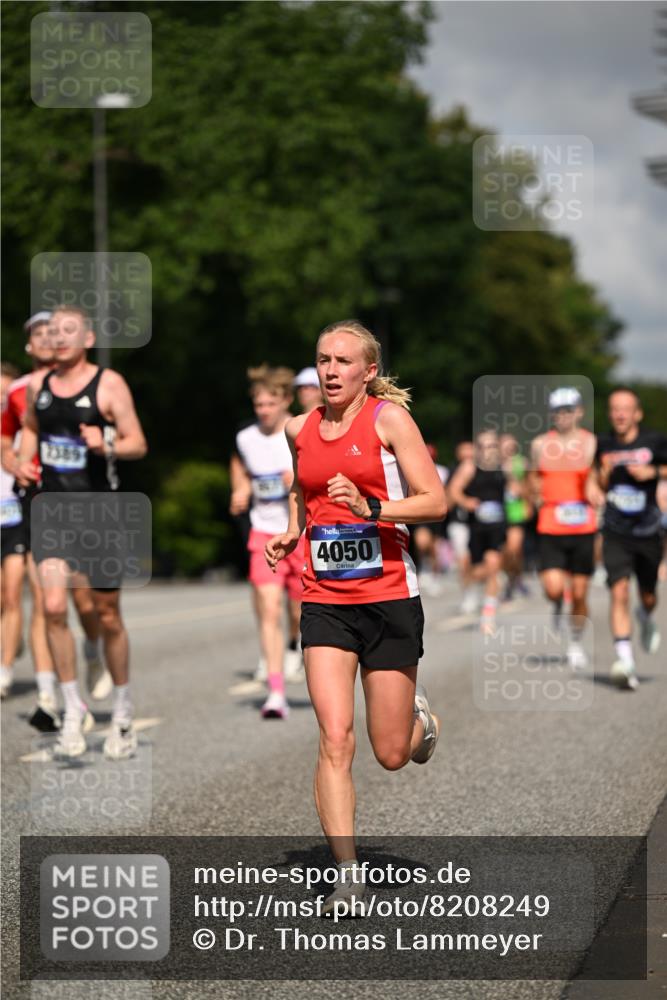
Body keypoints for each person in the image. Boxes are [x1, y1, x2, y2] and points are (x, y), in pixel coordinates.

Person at [265, 319, 445, 916]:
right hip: (325, 600)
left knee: (390, 753)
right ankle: (347, 877)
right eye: (323, 360)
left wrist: (373, 508)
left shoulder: (389, 421)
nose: (331, 370)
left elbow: (435, 501)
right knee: (334, 737)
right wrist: (293, 532)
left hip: (389, 595)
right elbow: (305, 489)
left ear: (368, 371)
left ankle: (420, 720)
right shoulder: (298, 428)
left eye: (343, 361)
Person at [15, 305, 147, 756]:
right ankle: (73, 710)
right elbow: (31, 429)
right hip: (51, 512)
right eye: (54, 331)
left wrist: (106, 442)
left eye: (69, 330)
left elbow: (137, 442)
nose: (59, 337)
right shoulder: (39, 386)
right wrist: (21, 463)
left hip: (100, 514)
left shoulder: (108, 384)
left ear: (88, 339)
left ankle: (123, 714)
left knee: (107, 615)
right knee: (53, 606)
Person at [1, 313, 108, 726]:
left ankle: (93, 648)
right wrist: (13, 461)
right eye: (39, 334)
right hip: (36, 502)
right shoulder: (19, 391)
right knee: (46, 602)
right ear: (30, 345)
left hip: (81, 502)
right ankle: (50, 697)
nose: (48, 338)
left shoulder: (85, 383)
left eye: (54, 332)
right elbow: (6, 436)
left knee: (84, 599)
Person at [231, 365, 306, 716]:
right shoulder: (246, 438)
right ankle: (276, 692)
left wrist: (299, 479)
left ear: (286, 401)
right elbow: (241, 468)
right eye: (258, 404)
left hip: (300, 531)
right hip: (263, 533)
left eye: (270, 404)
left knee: (299, 610)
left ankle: (294, 644)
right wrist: (241, 490)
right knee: (269, 607)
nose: (263, 410)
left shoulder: (301, 430)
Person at [589, 388, 667, 690]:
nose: (620, 414)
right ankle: (625, 662)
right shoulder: (602, 444)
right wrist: (598, 484)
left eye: (626, 408)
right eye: (615, 409)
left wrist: (653, 472)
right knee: (619, 590)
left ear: (637, 413)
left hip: (647, 530)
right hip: (615, 531)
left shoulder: (655, 440)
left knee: (648, 595)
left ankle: (645, 616)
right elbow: (595, 480)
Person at [529, 388, 597, 668]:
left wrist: (596, 491)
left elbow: (597, 477)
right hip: (551, 523)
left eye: (568, 410)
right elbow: (533, 478)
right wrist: (535, 494)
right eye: (557, 411)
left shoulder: (590, 442)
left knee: (580, 593)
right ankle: (557, 604)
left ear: (579, 412)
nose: (563, 416)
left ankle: (575, 643)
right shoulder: (540, 444)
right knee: (554, 589)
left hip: (583, 524)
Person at [448, 431, 506, 632]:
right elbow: (454, 490)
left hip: (497, 525)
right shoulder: (470, 467)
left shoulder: (503, 466)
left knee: (493, 564)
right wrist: (466, 502)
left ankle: (488, 615)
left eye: (492, 446)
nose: (489, 450)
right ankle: (470, 587)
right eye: (484, 446)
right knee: (474, 570)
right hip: (476, 527)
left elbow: (518, 487)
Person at [412, 444, 449, 597]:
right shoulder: (413, 469)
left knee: (435, 546)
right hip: (421, 512)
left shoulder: (442, 471)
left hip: (436, 513)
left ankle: (434, 574)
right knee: (421, 542)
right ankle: (423, 568)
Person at [500, 433, 531, 600]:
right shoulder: (492, 463)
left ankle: (515, 578)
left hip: (516, 511)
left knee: (514, 549)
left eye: (510, 444)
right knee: (505, 552)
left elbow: (530, 485)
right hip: (499, 513)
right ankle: (512, 578)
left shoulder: (522, 463)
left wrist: (528, 503)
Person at [446, 441, 474, 611]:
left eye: (470, 450)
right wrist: (460, 498)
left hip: (479, 524)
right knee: (463, 560)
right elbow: (447, 502)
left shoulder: (483, 471)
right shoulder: (452, 472)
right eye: (463, 451)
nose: (467, 454)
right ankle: (468, 593)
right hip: (458, 523)